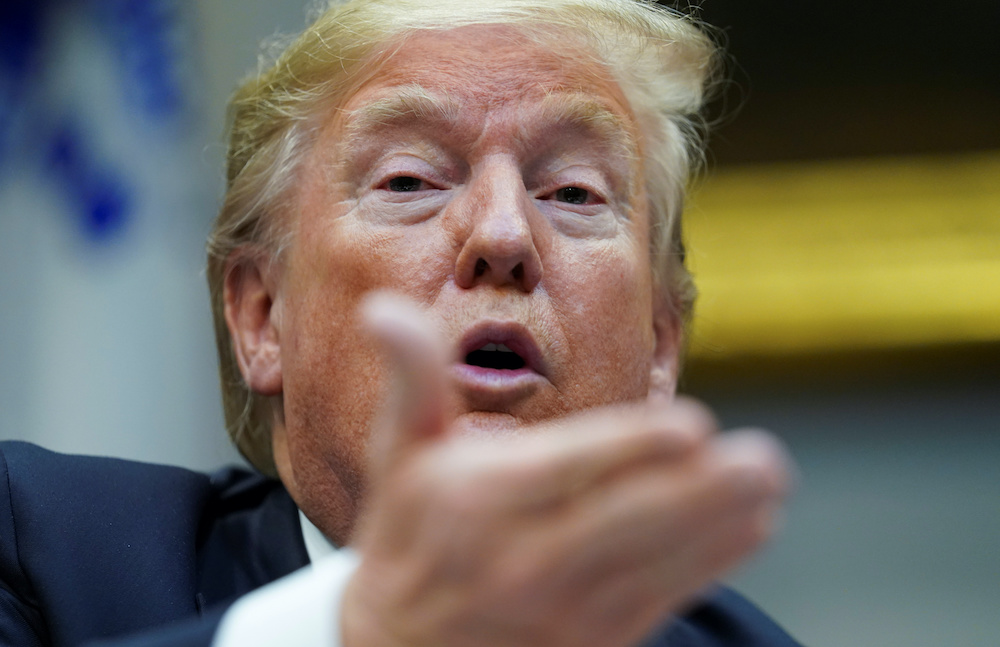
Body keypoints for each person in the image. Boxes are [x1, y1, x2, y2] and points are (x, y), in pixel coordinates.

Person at [0, 1, 800, 645]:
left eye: (573, 193)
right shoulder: (38, 549)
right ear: (262, 317)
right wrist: (358, 629)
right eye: (410, 180)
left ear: (660, 345)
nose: (504, 235)